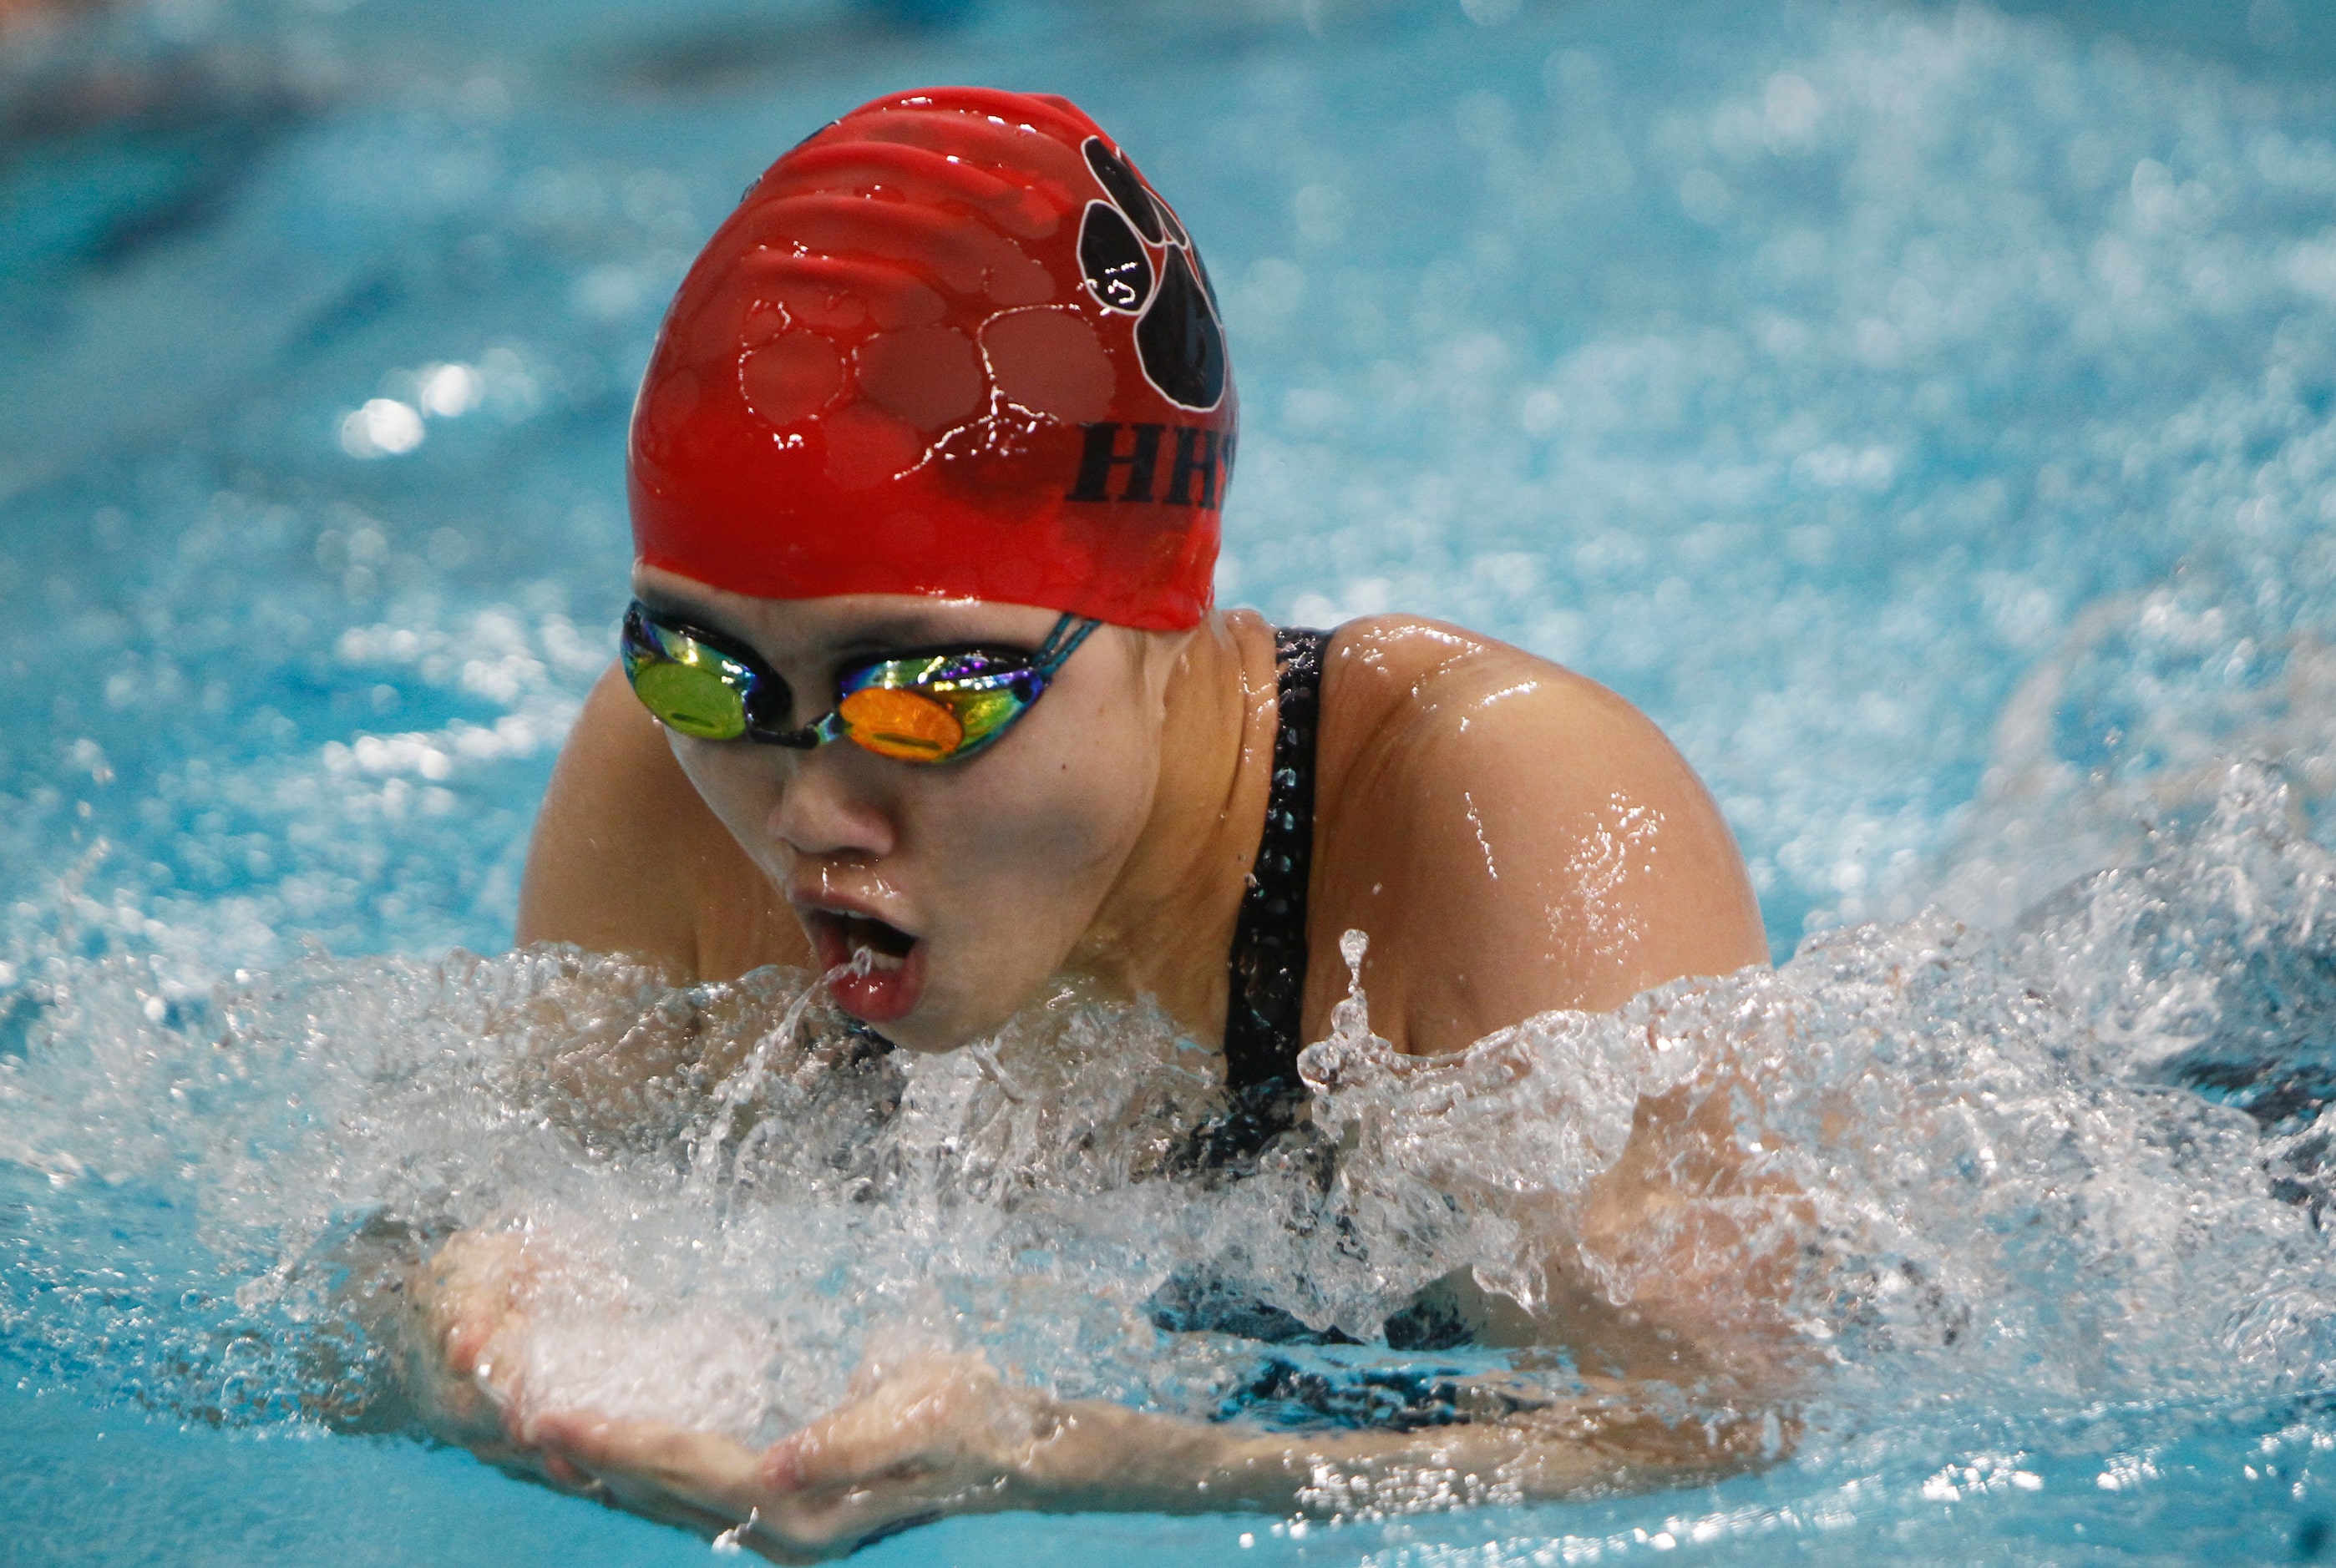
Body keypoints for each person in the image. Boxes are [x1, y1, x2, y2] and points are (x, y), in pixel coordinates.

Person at [407, 86, 1781, 1559]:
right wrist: (451, 1342)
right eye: (704, 669)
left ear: (1162, 611)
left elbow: (1724, 1419)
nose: (806, 805)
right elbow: (463, 1248)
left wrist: (1082, 1458)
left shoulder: (1495, 811)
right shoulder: (666, 779)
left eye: (925, 692)